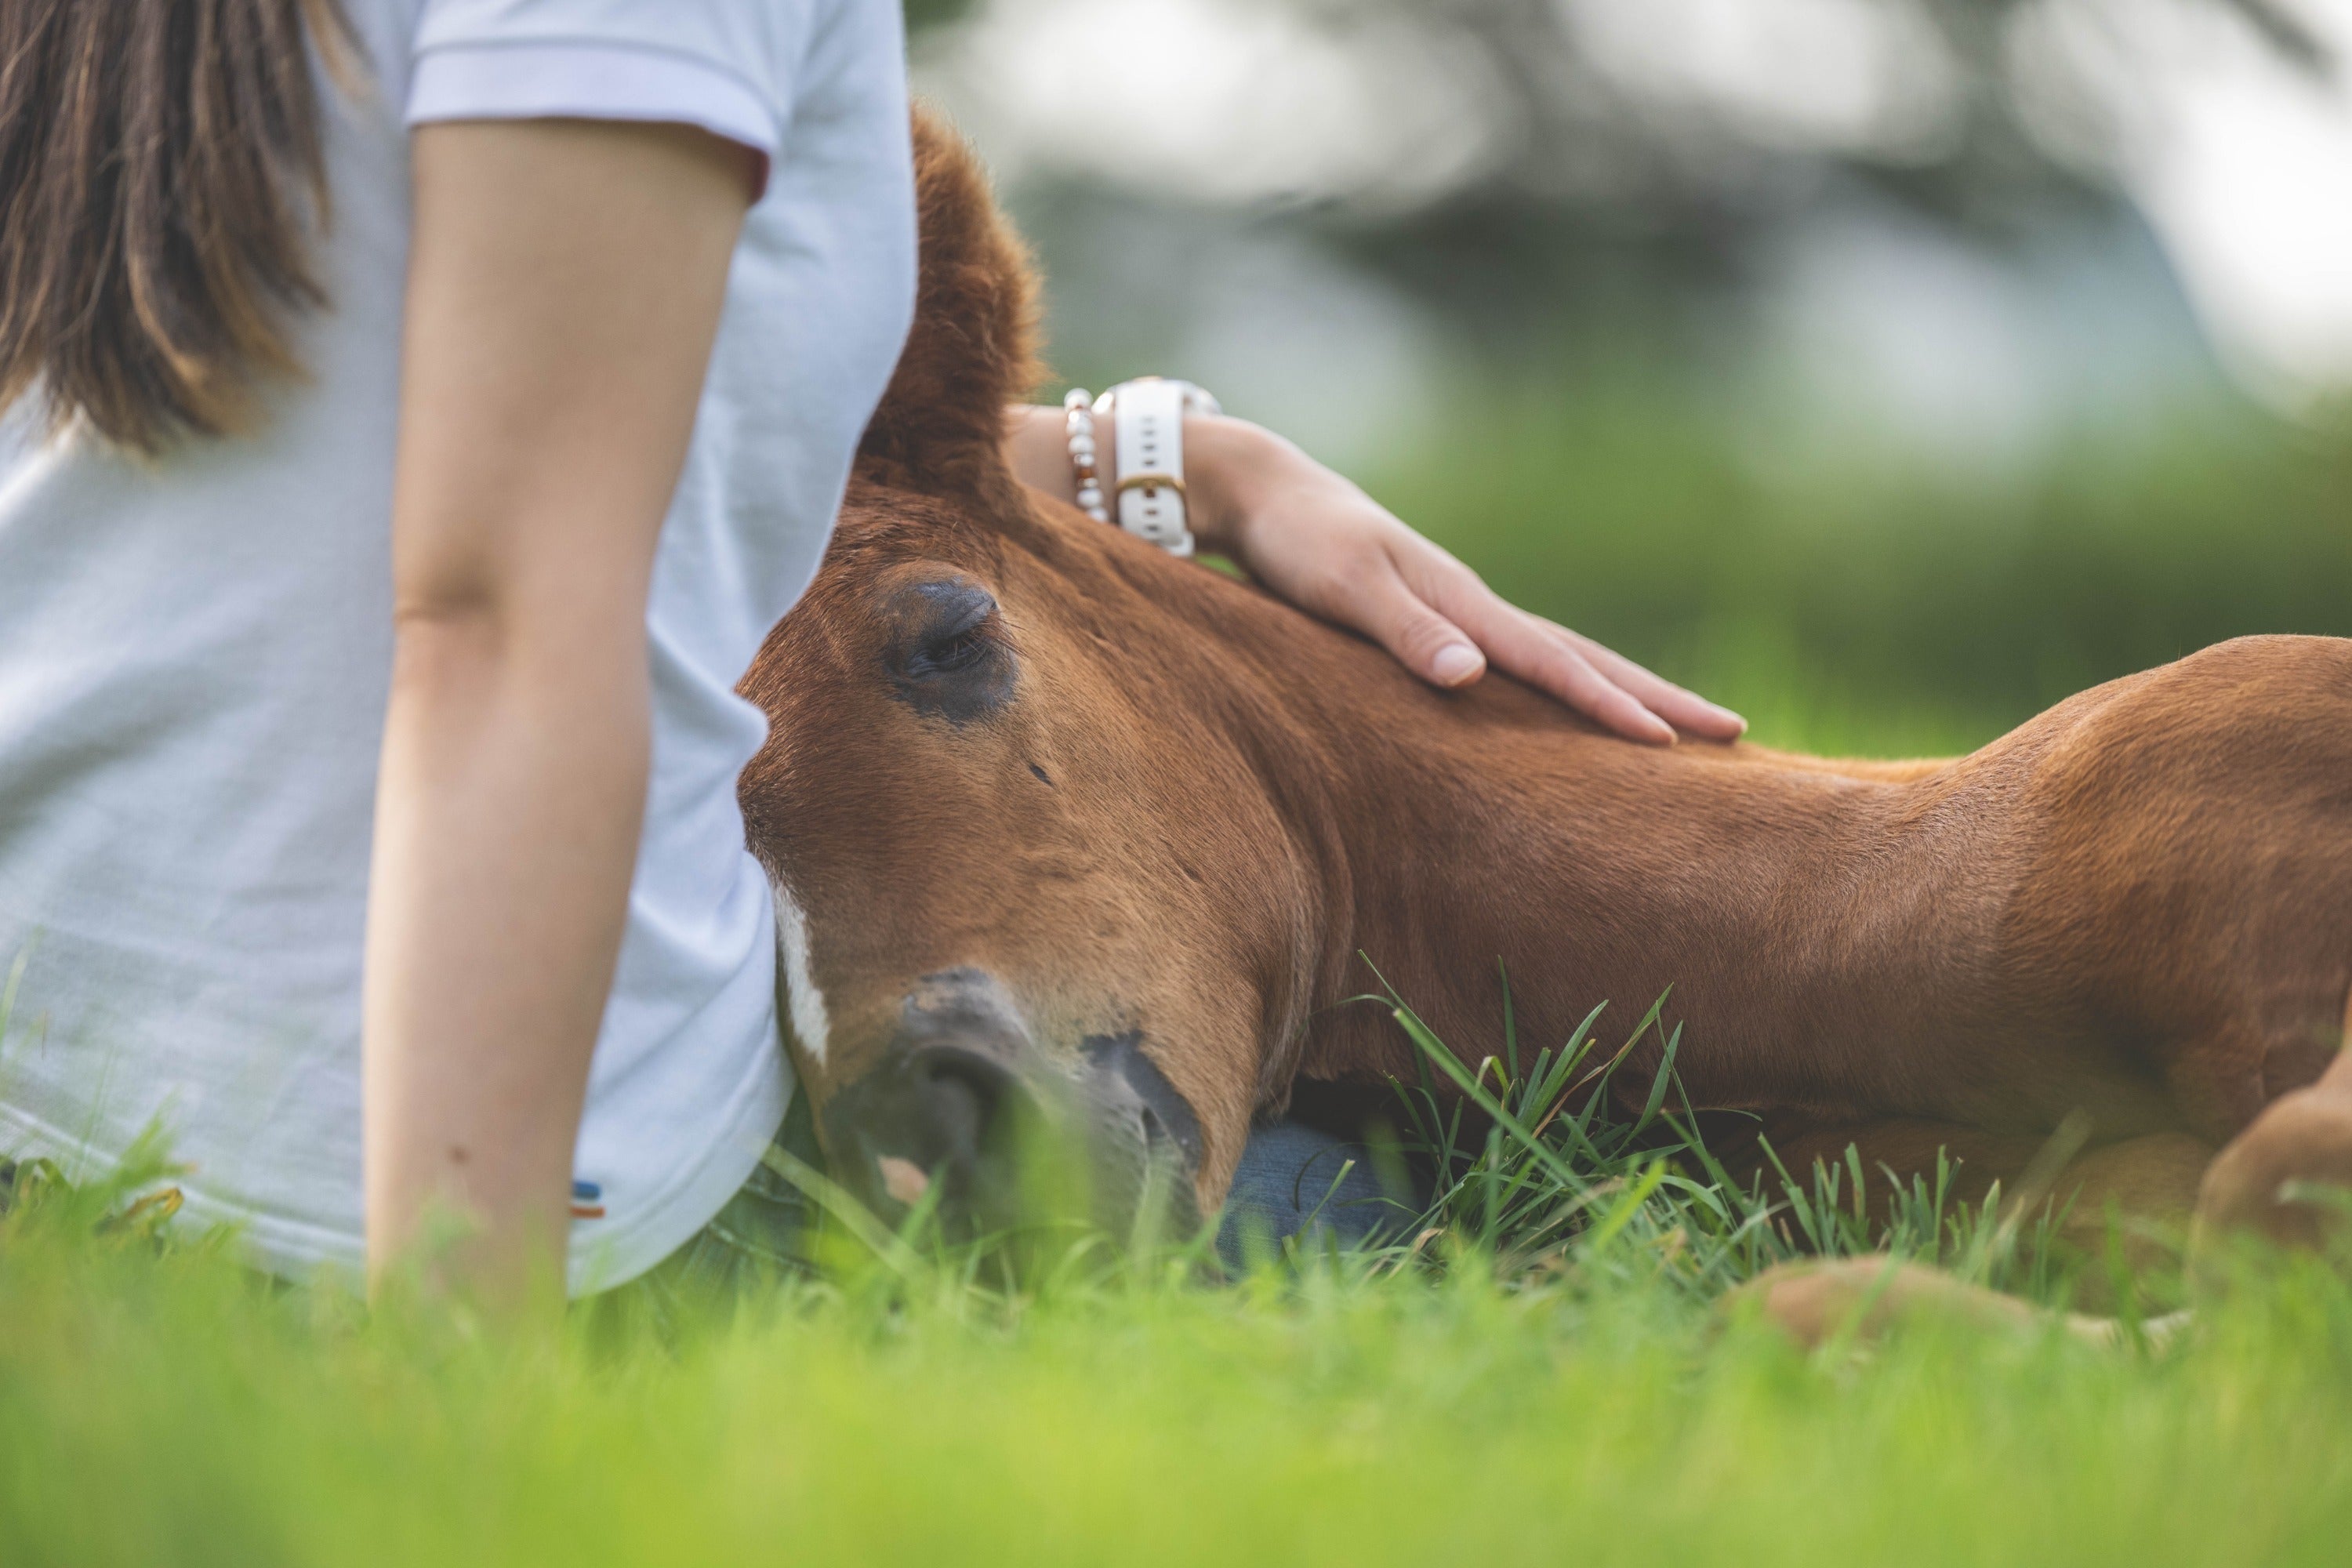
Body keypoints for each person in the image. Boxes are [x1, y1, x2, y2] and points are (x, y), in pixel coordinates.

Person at [0, 0, 1743, 1309]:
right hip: (419, 1178)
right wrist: (456, 1354)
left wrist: (1171, 461)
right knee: (1451, 1214)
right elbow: (504, 616)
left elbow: (351, 413)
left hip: (47, 1089)